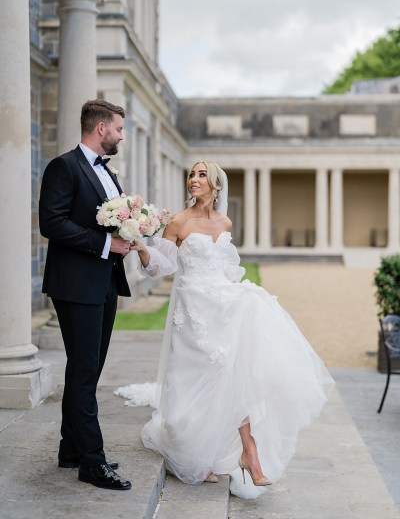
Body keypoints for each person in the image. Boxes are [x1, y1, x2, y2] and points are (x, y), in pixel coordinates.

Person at [122, 161, 334, 498]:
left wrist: (238, 292)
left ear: (215, 184)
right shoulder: (177, 221)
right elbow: (161, 268)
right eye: (192, 174)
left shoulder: (225, 222)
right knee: (195, 380)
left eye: (201, 175)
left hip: (221, 305)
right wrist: (144, 249)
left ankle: (249, 451)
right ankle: (203, 452)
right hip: (192, 310)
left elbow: (227, 268)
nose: (194, 179)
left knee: (234, 372)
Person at [39, 99, 133, 491]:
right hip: (75, 285)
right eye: (118, 129)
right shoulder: (64, 166)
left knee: (87, 370)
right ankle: (92, 463)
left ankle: (71, 449)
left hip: (104, 283)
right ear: (100, 129)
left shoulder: (108, 173)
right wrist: (104, 245)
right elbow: (51, 222)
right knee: (83, 371)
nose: (121, 136)